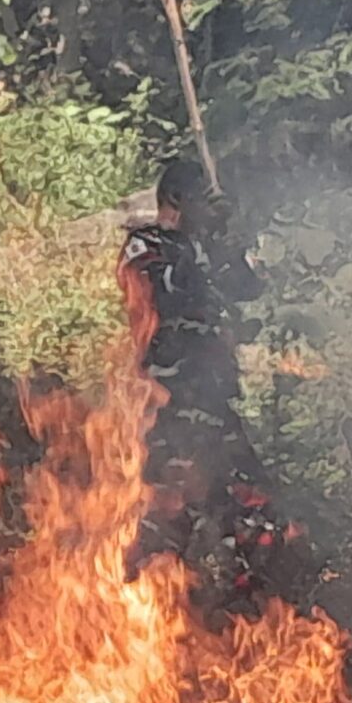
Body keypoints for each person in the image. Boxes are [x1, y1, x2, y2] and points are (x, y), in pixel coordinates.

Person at [117, 156, 292, 599]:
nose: (208, 211)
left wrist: (228, 243)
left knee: (256, 506)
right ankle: (123, 603)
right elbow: (168, 293)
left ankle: (246, 612)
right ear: (177, 199)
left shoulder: (204, 249)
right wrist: (203, 242)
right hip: (169, 403)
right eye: (201, 200)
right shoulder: (146, 246)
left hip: (214, 402)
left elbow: (247, 289)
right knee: (167, 514)